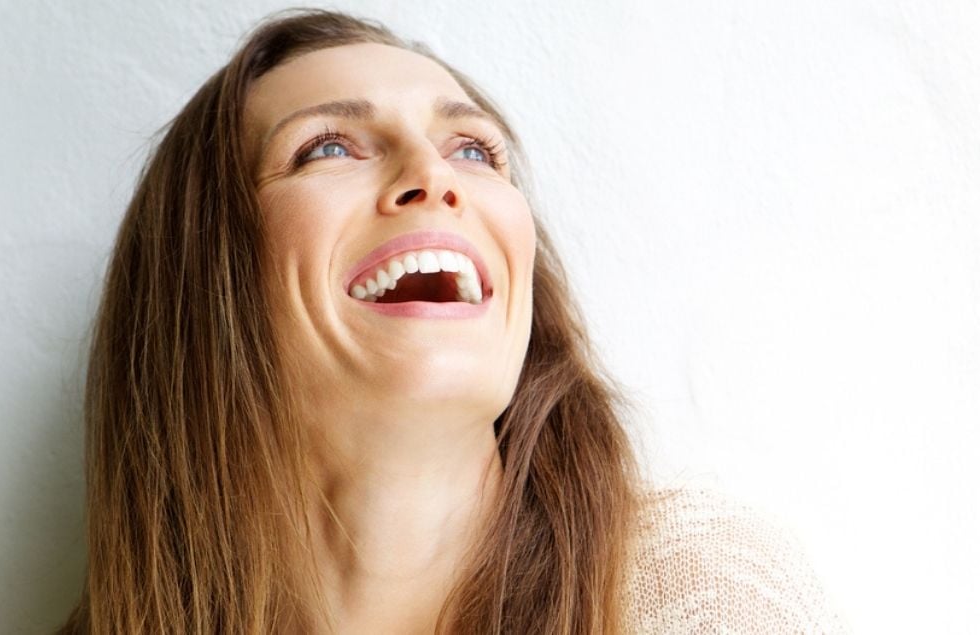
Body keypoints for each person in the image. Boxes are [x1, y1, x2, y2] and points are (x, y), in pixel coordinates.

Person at [59, 8, 845, 634]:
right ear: (208, 277)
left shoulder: (708, 594)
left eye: (473, 149)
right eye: (328, 146)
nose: (431, 175)